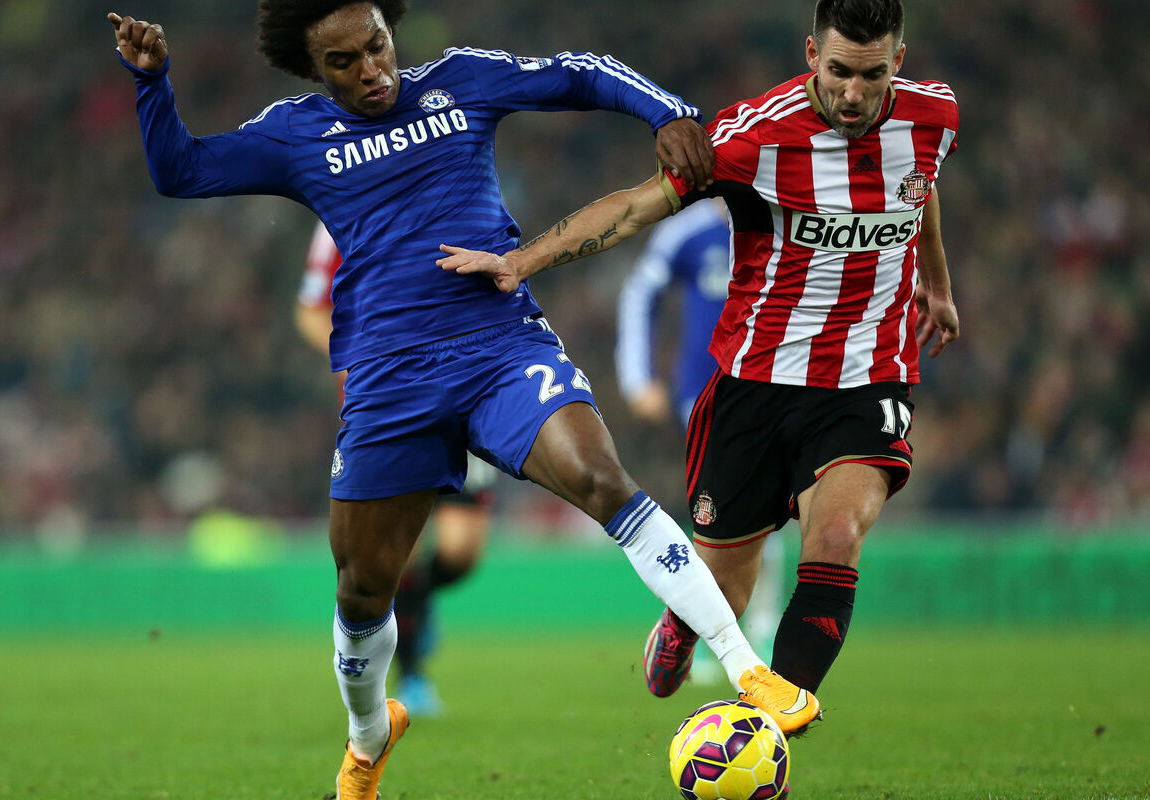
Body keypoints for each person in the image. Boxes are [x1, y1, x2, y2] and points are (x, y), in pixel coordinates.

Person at [107, 3, 818, 798]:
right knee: (362, 588)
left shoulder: (461, 81)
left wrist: (669, 113)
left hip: (499, 349)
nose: (371, 70)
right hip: (389, 378)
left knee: (602, 479)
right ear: (314, 69)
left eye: (376, 46)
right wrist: (151, 81)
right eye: (343, 62)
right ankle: (368, 739)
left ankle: (748, 669)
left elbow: (579, 73)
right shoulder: (294, 134)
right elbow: (181, 171)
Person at [440, 0, 958, 716]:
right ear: (812, 55)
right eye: (839, 71)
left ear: (897, 63)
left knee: (837, 537)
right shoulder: (753, 136)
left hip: (867, 376)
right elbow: (634, 208)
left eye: (872, 76)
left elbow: (921, 186)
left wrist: (936, 283)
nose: (852, 93)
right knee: (724, 587)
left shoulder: (935, 116)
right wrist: (520, 262)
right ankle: (686, 623)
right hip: (754, 384)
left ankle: (770, 719)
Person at [296, 220, 497, 717]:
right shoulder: (340, 214)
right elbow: (310, 311)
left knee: (460, 552)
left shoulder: (453, 195)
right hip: (387, 404)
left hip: (461, 389)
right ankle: (413, 678)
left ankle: (417, 609)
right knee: (401, 553)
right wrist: (356, 357)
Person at [614, 198, 785, 684]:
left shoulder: (788, 213)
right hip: (708, 392)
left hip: (781, 383)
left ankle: (754, 632)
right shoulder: (688, 232)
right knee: (726, 513)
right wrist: (637, 377)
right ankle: (719, 633)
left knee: (771, 513)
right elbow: (639, 292)